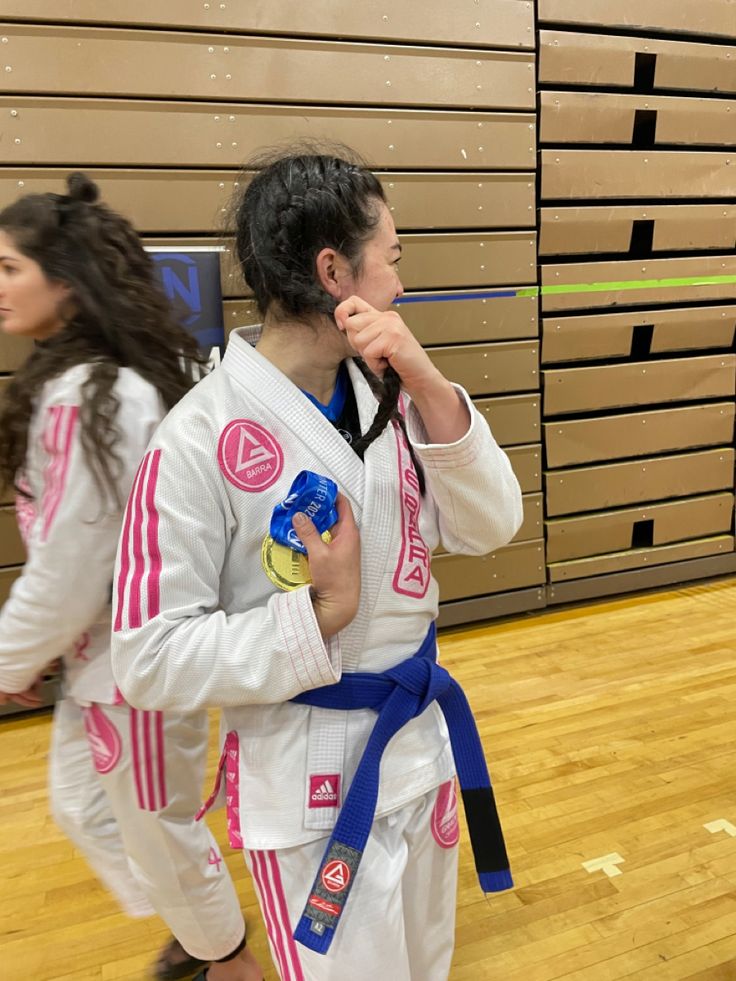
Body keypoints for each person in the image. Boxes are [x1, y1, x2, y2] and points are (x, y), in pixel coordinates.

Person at [111, 146, 523, 981]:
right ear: (335, 271)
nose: (401, 286)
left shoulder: (391, 392)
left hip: (420, 747)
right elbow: (146, 658)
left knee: (427, 965)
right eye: (392, 259)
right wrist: (316, 617)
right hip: (308, 785)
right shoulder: (196, 439)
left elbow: (492, 525)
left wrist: (431, 382)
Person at [0, 173, 262, 981]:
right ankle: (199, 919)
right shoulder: (95, 381)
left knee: (157, 821)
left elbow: (75, 566)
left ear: (67, 282)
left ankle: (225, 958)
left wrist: (9, 659)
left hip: (135, 665)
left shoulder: (93, 395)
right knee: (87, 805)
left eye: (10, 267)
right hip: (105, 661)